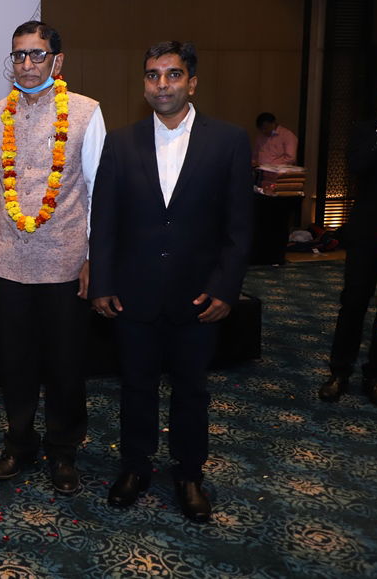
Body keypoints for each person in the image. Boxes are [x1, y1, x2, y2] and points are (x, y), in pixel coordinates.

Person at [90, 41, 252, 523]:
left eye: (173, 74)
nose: (162, 84)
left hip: (199, 296)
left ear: (192, 83)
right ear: (144, 84)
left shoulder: (228, 140)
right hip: (133, 293)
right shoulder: (121, 142)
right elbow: (105, 221)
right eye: (153, 75)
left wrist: (225, 289)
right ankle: (135, 467)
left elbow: (239, 226)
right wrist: (102, 283)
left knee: (191, 390)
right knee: (135, 386)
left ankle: (189, 474)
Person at [0, 21, 106, 494]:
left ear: (57, 60)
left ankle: (63, 449)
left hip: (66, 262)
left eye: (37, 54)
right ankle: (19, 443)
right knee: (14, 362)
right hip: (10, 261)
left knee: (65, 363)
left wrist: (93, 257)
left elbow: (97, 190)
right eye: (19, 55)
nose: (27, 64)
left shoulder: (86, 111)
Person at [318, 67, 377, 408]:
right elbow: (358, 166)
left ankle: (376, 375)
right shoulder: (366, 130)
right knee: (353, 303)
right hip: (365, 234)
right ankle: (339, 372)